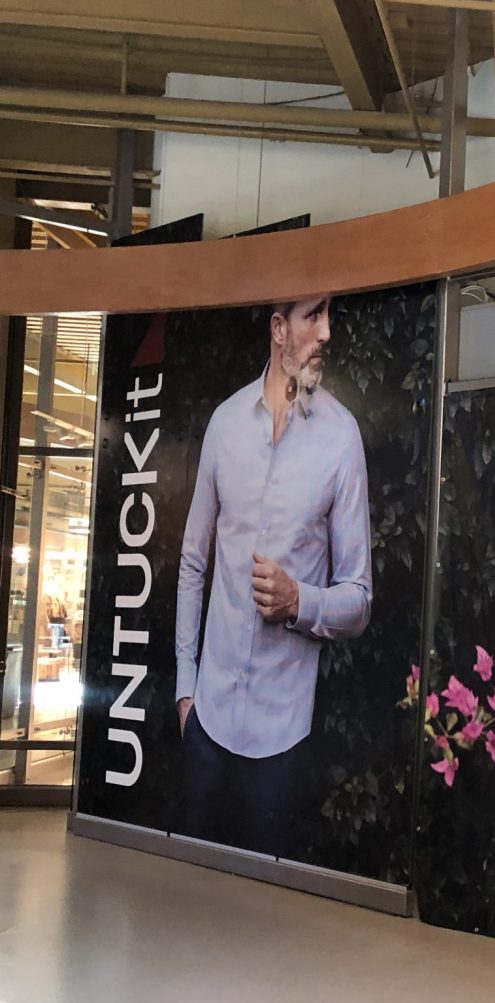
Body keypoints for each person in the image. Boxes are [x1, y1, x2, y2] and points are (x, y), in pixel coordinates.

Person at [174, 296, 372, 856]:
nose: (327, 332)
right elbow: (193, 562)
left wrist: (298, 601)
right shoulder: (225, 424)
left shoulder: (341, 437)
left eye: (330, 315)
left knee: (267, 908)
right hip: (207, 724)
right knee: (187, 897)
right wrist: (186, 692)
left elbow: (359, 599)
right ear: (279, 329)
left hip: (283, 745)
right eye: (314, 315)